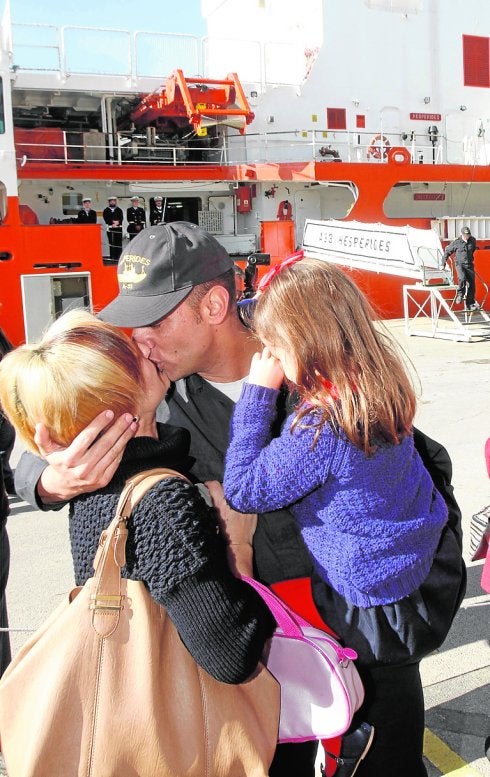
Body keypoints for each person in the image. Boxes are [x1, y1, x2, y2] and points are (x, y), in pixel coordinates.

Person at [15, 223, 466, 777]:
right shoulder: (153, 386)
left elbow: (424, 462)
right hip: (258, 664)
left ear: (213, 304)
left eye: (153, 320)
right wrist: (48, 482)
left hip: (365, 638)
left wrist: (414, 574)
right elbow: (46, 428)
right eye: (129, 322)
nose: (138, 341)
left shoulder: (310, 350)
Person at [0, 309, 277, 693]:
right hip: (183, 735)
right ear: (123, 398)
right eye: (132, 356)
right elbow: (233, 657)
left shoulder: (94, 485)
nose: (146, 348)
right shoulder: (163, 504)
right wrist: (238, 544)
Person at [442, 226, 479, 311]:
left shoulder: (473, 240)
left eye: (468, 235)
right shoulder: (457, 242)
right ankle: (460, 295)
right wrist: (443, 263)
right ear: (462, 234)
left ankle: (470, 303)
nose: (467, 236)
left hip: (469, 264)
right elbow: (447, 252)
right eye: (466, 235)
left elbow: (472, 250)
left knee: (471, 284)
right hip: (460, 264)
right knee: (462, 279)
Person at [102, 196, 124, 262]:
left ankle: (119, 258)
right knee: (112, 243)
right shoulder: (106, 210)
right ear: (109, 202)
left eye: (114, 201)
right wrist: (112, 222)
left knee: (119, 244)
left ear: (115, 202)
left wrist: (118, 222)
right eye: (111, 201)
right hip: (111, 229)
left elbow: (121, 218)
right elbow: (106, 218)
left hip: (118, 228)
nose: (112, 202)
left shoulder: (119, 210)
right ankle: (113, 258)